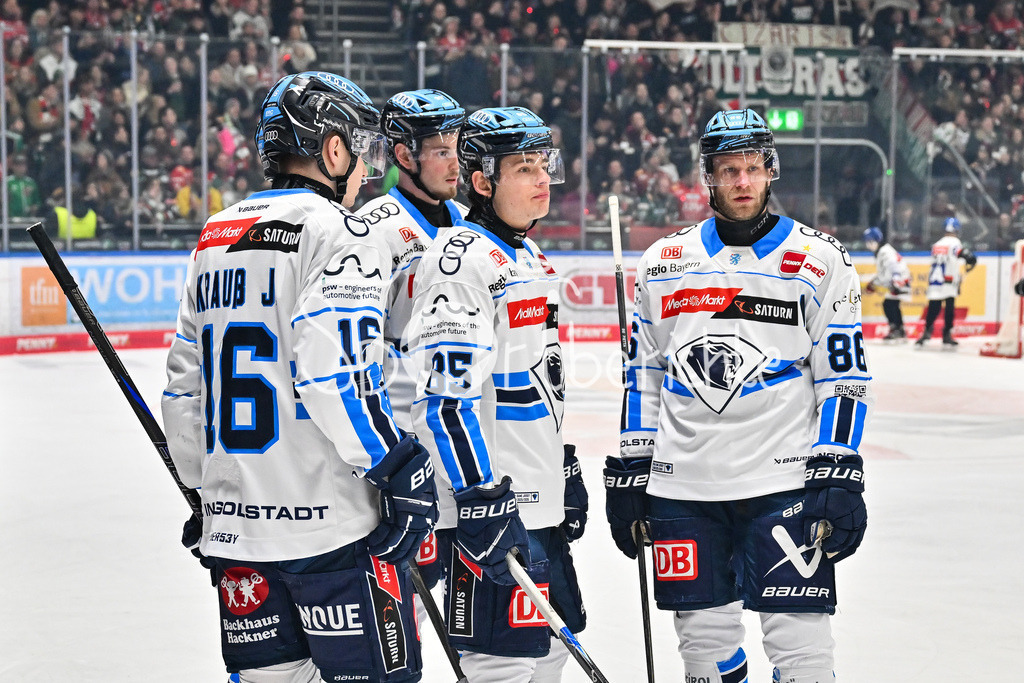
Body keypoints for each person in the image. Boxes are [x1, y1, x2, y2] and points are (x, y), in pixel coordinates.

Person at [161, 71, 438, 683]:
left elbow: (184, 389)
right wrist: (397, 465)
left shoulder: (215, 234)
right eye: (359, 153)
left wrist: (207, 492)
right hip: (331, 531)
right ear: (333, 150)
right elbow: (332, 372)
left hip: (239, 534)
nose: (366, 172)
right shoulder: (342, 231)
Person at [606, 109, 871, 683]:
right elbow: (643, 372)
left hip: (782, 481)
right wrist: (632, 465)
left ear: (770, 171)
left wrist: (839, 468)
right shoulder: (664, 262)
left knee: (801, 647)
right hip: (682, 486)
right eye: (729, 170)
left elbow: (843, 376)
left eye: (753, 168)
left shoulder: (820, 258)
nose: (743, 183)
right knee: (702, 647)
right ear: (708, 177)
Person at [408, 106, 589, 682]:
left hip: (535, 498)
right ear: (483, 181)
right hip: (493, 504)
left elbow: (538, 377)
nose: (544, 181)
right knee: (499, 667)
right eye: (525, 169)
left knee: (556, 647)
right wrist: (481, 497)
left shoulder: (527, 254)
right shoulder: (459, 263)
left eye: (545, 166)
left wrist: (562, 467)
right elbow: (443, 400)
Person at [356, 88, 468, 621]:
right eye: (441, 150)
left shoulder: (471, 222)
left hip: (461, 455)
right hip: (403, 462)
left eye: (458, 147)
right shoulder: (373, 229)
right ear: (405, 156)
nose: (456, 161)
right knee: (404, 622)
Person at [916, 217, 977, 348]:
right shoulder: (955, 242)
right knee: (949, 307)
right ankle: (947, 334)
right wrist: (971, 258)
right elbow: (962, 253)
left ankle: (927, 331)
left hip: (935, 281)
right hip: (948, 280)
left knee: (933, 306)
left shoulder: (937, 244)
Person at [863, 226, 911, 341]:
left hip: (899, 280)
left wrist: (894, 281)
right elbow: (884, 273)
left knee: (889, 304)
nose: (868, 245)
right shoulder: (883, 251)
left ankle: (896, 329)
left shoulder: (885, 252)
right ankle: (899, 329)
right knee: (892, 304)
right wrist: (875, 282)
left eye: (870, 241)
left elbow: (892, 267)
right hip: (899, 280)